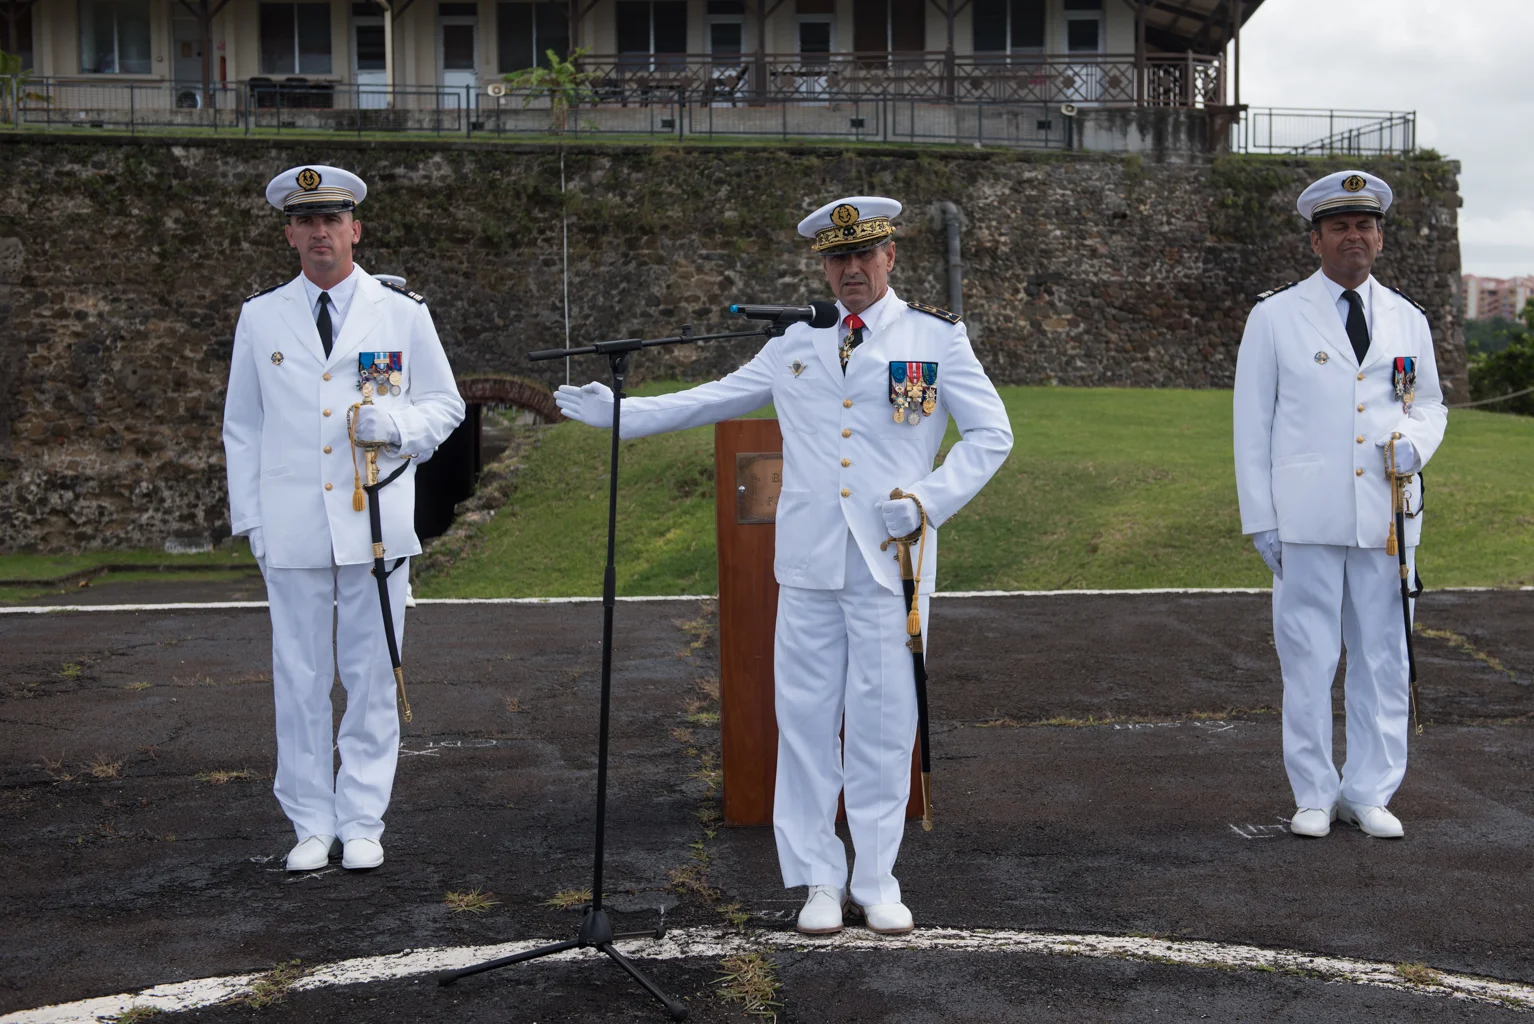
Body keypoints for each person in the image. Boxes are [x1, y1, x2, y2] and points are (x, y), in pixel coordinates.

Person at [556, 196, 1013, 933]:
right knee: (802, 725)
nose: (852, 269)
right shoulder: (796, 343)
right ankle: (817, 881)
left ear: (891, 256)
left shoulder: (934, 338)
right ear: (823, 266)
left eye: (865, 254)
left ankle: (875, 876)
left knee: (884, 723)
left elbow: (993, 434)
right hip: (807, 565)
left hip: (890, 563)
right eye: (838, 258)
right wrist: (624, 413)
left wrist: (930, 500)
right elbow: (714, 398)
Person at [223, 165, 465, 871]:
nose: (319, 232)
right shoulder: (260, 317)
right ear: (291, 233)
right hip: (292, 522)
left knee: (371, 672)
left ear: (355, 229)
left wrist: (393, 425)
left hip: (375, 522)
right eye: (306, 221)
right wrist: (255, 524)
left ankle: (361, 817)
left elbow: (444, 405)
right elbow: (242, 425)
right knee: (298, 677)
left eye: (333, 220)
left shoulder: (401, 312)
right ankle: (308, 821)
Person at [1233, 169, 1447, 840]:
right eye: (1340, 227)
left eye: (1365, 226)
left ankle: (1370, 789)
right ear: (1316, 240)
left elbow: (1429, 404)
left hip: (1387, 517)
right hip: (1307, 515)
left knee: (1384, 657)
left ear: (1379, 239)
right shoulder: (1274, 316)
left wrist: (1412, 445)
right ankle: (1314, 792)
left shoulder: (1408, 318)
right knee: (1309, 657)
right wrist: (1261, 518)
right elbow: (1251, 424)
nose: (1354, 236)